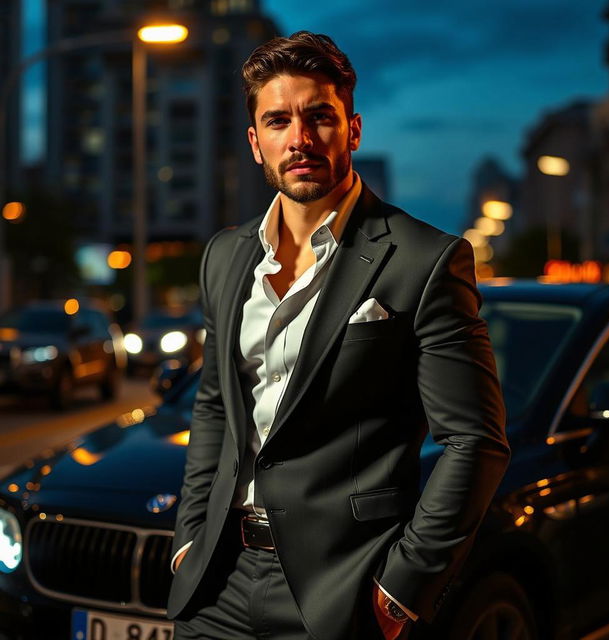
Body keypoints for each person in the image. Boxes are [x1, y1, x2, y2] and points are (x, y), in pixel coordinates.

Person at [167, 31, 511, 640]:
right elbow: (217, 406)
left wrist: (402, 588)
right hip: (217, 582)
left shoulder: (424, 259)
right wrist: (189, 538)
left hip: (339, 590)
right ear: (255, 143)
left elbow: (474, 440)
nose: (298, 138)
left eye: (318, 117)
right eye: (277, 121)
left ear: (352, 129)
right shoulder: (224, 256)